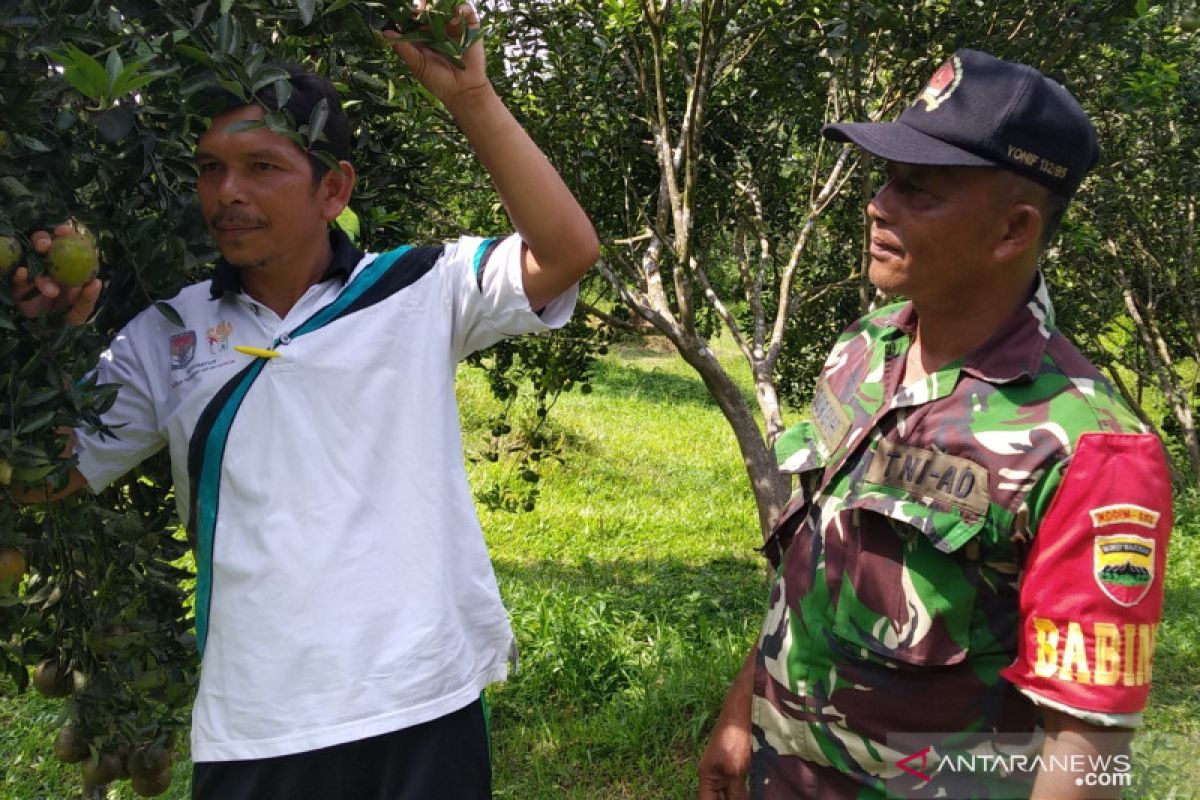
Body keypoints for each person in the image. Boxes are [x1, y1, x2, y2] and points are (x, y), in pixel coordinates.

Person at [12, 4, 599, 797]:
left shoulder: (415, 290)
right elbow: (48, 475)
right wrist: (41, 345)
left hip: (421, 701)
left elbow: (566, 250)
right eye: (210, 168)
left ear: (334, 190)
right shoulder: (168, 333)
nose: (227, 193)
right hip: (256, 724)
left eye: (261, 167)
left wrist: (473, 100)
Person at [698, 49, 1173, 799]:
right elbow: (810, 565)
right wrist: (739, 717)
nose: (879, 204)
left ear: (1013, 231)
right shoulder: (866, 347)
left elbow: (1089, 739)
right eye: (886, 179)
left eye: (920, 190)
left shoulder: (1092, 448)